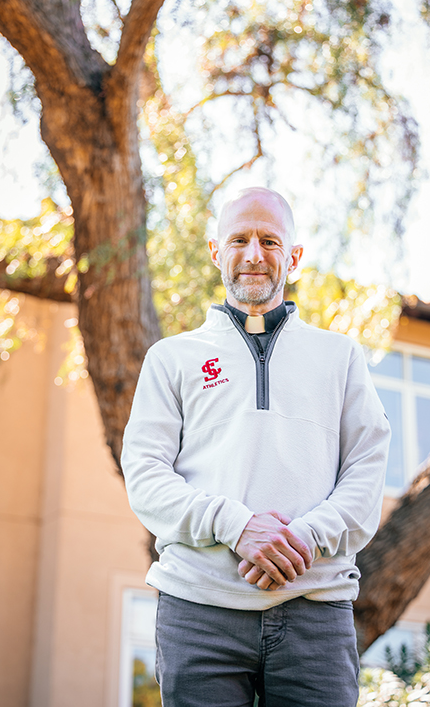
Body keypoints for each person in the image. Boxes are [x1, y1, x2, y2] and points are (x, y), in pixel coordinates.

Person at [121, 187, 390, 707]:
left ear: (293, 256)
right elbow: (146, 475)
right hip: (200, 614)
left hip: (316, 614)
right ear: (215, 250)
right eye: (238, 239)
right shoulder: (170, 358)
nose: (253, 254)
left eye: (270, 240)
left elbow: (366, 470)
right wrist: (236, 525)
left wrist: (306, 538)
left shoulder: (340, 357)